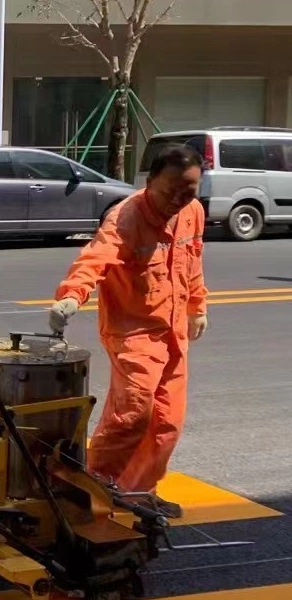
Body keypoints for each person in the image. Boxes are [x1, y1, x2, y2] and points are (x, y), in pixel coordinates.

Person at [48, 144, 207, 517]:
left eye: (189, 192)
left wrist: (197, 306)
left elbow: (194, 259)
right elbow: (95, 259)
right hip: (132, 332)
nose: (179, 201)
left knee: (168, 422)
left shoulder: (192, 213)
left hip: (172, 330)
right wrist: (72, 295)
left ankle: (136, 494)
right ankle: (91, 492)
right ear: (149, 182)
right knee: (133, 414)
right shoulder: (126, 218)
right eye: (171, 192)